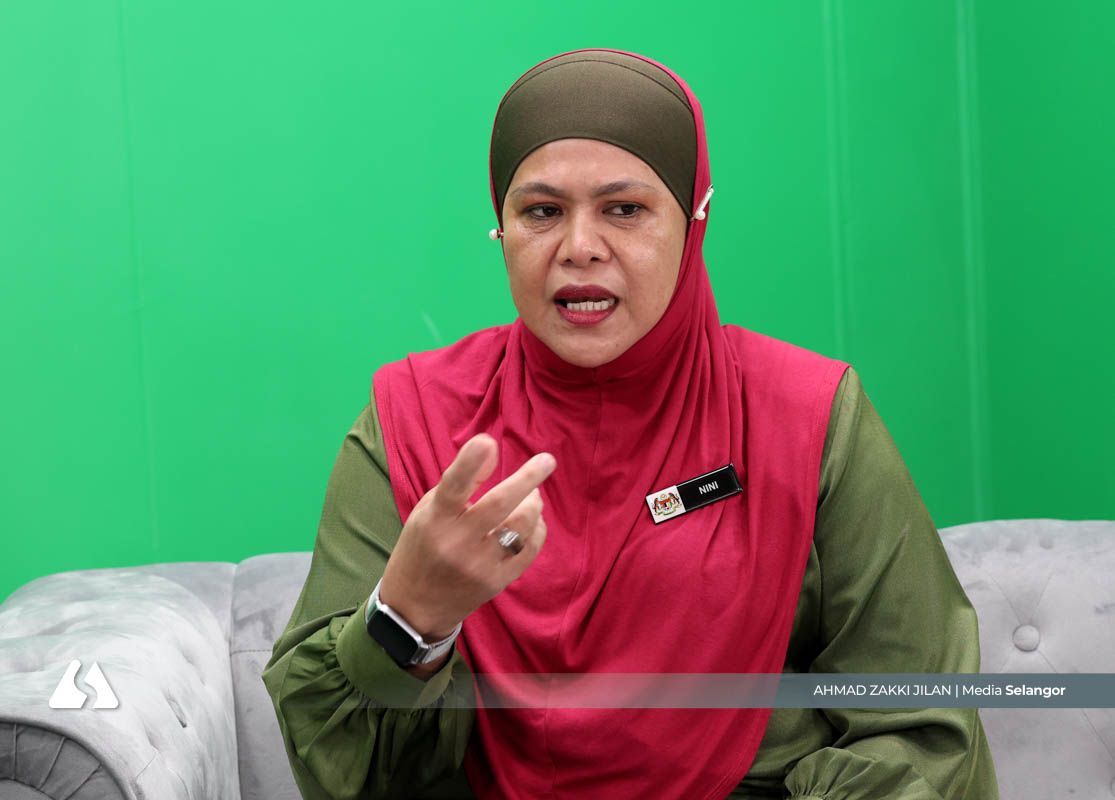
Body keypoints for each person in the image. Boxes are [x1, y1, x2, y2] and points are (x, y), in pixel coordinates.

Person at [262, 48, 1000, 799]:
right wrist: (409, 620)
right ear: (502, 230)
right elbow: (343, 767)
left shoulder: (806, 414)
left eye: (624, 209)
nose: (579, 248)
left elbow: (918, 722)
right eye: (541, 212)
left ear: (694, 220)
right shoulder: (414, 420)